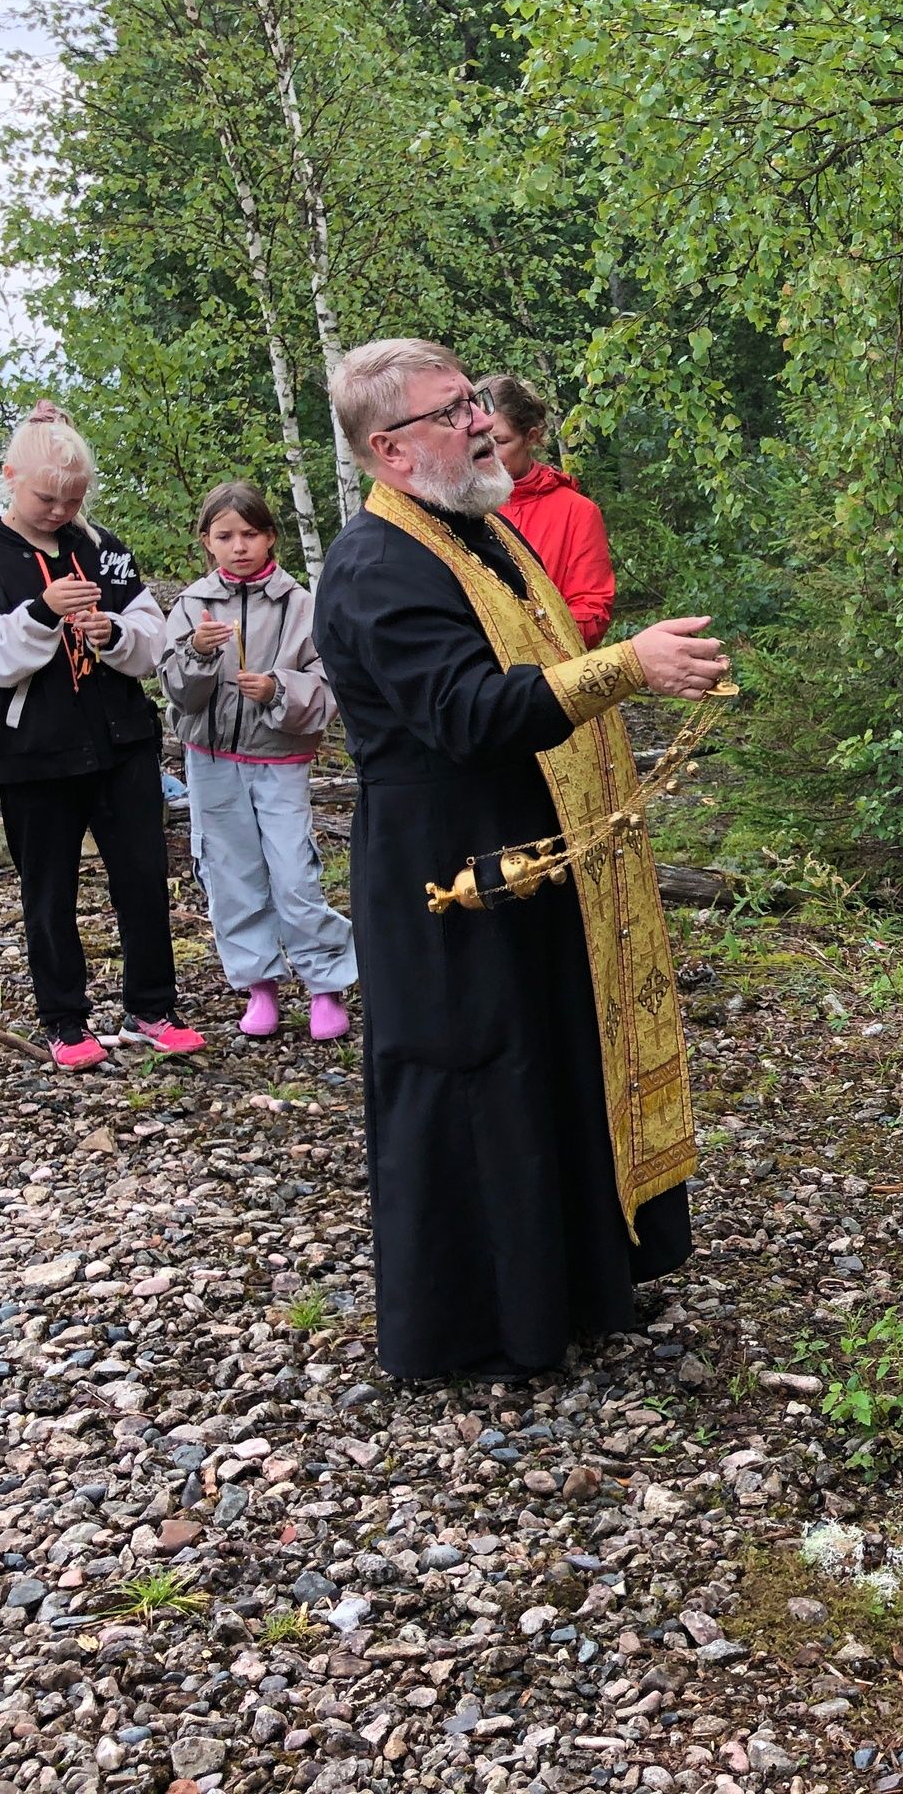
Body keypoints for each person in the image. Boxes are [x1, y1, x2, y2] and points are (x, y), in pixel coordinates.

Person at [312, 339, 727, 1379]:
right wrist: (625, 668)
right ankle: (480, 1328)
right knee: (476, 1077)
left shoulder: (478, 529)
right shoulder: (374, 565)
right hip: (445, 869)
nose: (481, 422)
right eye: (452, 411)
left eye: (474, 400)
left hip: (529, 849)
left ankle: (575, 1288)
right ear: (390, 450)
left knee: (548, 1059)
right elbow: (464, 714)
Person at [0, 402, 206, 1069]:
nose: (61, 511)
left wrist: (114, 634)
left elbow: (152, 639)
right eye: (47, 498)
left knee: (143, 878)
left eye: (74, 499)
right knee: (49, 890)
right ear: (10, 478)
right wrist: (40, 613)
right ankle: (64, 1019)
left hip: (121, 742)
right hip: (33, 753)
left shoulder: (103, 548)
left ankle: (153, 1007)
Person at [160, 480, 359, 1041]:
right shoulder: (192, 606)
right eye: (225, 536)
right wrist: (198, 654)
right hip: (211, 760)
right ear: (207, 541)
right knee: (230, 872)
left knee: (294, 874)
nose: (239, 546)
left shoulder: (301, 605)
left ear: (271, 537)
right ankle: (259, 985)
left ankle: (325, 985)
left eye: (250, 534)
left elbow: (330, 684)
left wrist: (276, 690)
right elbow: (177, 692)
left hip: (280, 758)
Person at [485, 374, 616, 648]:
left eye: (500, 441)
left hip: (548, 666)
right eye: (478, 439)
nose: (486, 453)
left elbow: (591, 612)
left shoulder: (576, 512)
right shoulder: (451, 507)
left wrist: (520, 641)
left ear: (530, 437)